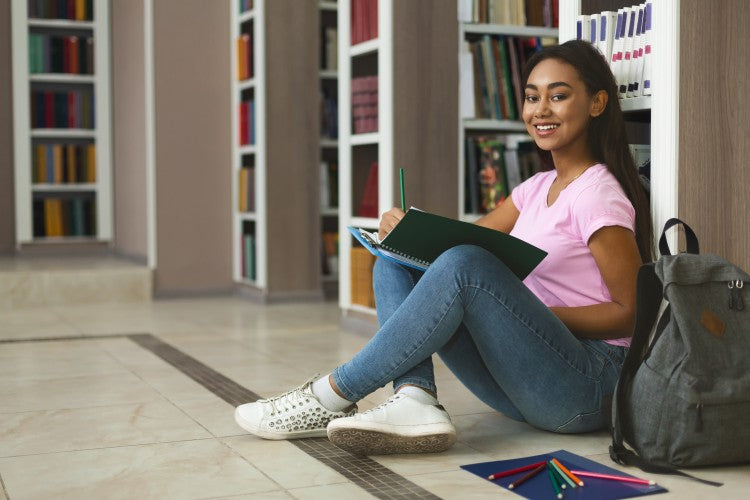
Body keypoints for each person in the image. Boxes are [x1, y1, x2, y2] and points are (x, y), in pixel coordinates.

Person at [234, 39, 653, 456]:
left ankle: (328, 394)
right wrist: (405, 232)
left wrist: (530, 318)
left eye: (558, 96)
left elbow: (631, 314)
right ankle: (416, 398)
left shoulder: (598, 194)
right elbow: (458, 242)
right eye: (531, 97)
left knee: (466, 265)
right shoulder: (536, 188)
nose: (540, 110)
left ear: (597, 103)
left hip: (584, 388)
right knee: (394, 262)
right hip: (525, 386)